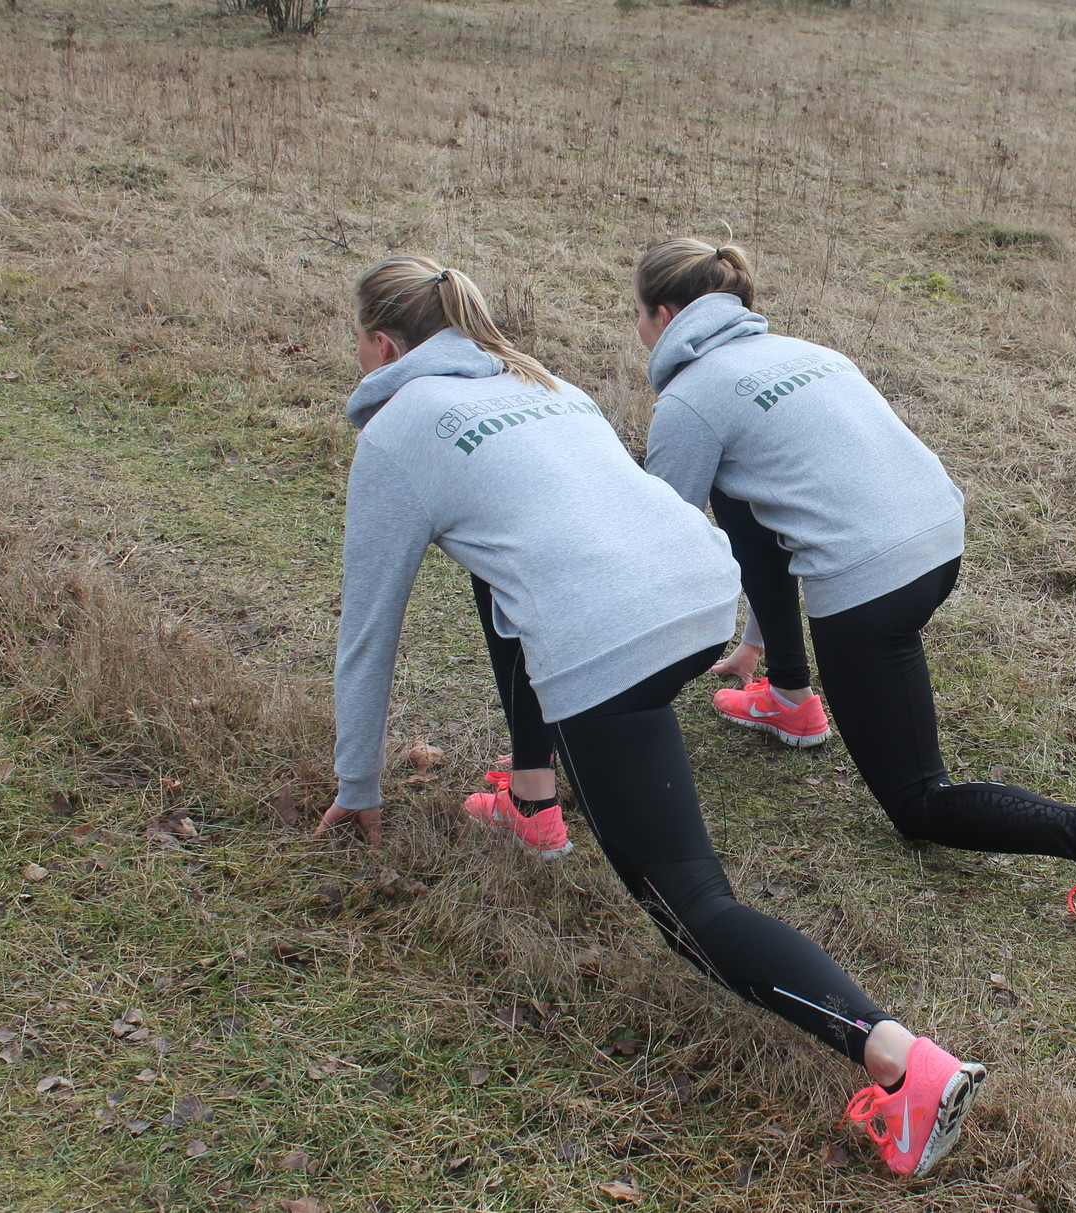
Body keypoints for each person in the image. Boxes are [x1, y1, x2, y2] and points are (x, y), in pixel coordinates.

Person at [311, 256, 984, 1178]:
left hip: (611, 639)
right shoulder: (544, 385)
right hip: (700, 593)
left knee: (693, 908)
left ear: (383, 345)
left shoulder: (398, 433)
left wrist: (358, 786)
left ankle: (903, 1061)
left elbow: (367, 632)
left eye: (356, 342)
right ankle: (533, 800)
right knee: (505, 579)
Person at [631, 238, 1076, 953]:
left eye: (638, 315)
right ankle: (789, 695)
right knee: (738, 495)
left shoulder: (688, 400)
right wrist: (756, 639)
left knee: (919, 802)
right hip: (940, 536)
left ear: (667, 314)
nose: (639, 330)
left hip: (874, 582)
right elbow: (754, 513)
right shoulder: (805, 351)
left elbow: (662, 545)